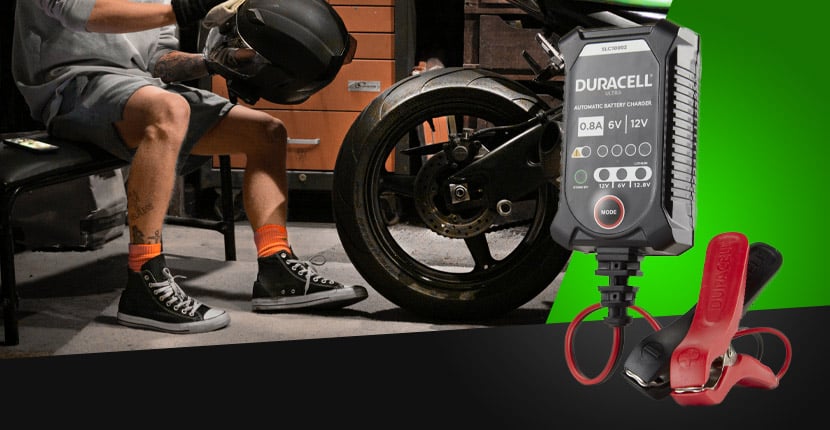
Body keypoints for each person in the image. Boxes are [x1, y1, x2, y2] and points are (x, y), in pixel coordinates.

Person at [11, 0, 369, 334]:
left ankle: (276, 269)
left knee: (267, 133)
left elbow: (159, 62)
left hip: (139, 87)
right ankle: (143, 280)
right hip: (69, 86)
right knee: (170, 110)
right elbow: (81, 13)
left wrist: (215, 60)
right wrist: (183, 8)